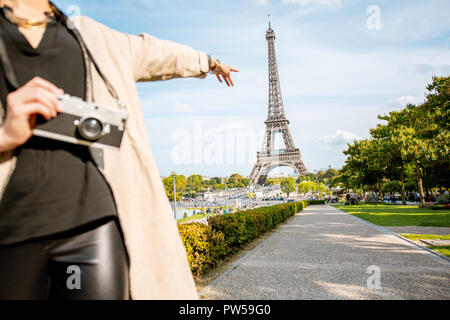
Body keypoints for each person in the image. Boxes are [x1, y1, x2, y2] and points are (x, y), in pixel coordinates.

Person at [0, 0, 237, 299]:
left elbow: (154, 53)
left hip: (91, 221)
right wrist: (5, 135)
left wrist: (209, 62)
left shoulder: (89, 34)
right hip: (10, 226)